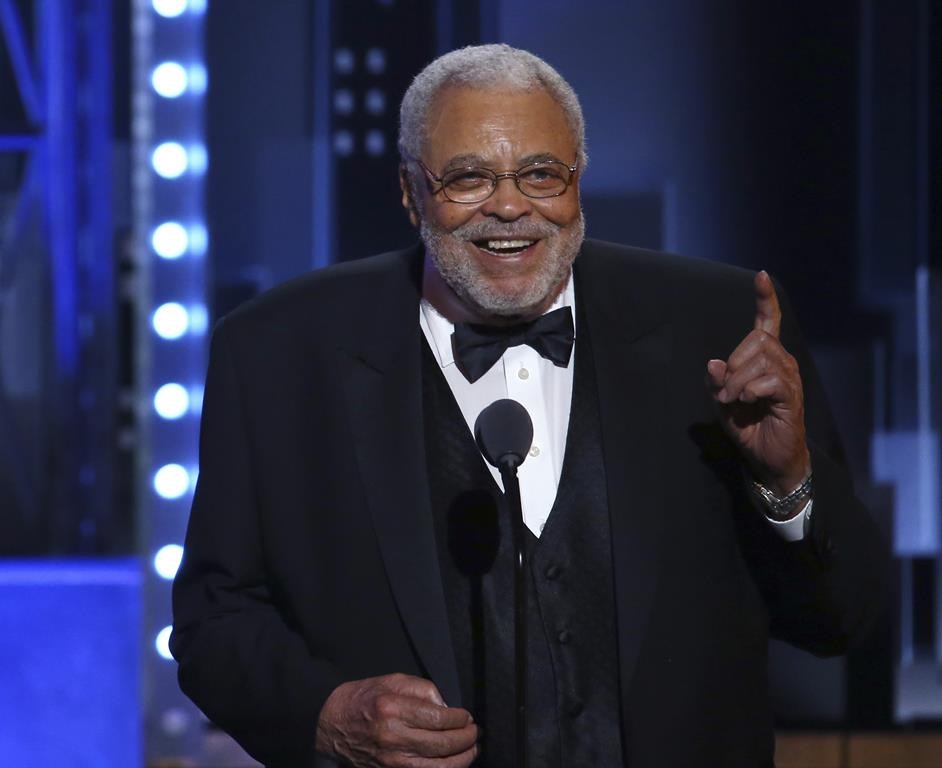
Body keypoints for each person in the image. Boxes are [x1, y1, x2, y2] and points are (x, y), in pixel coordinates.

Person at [171, 44, 887, 768]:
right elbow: (213, 621)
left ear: (579, 180)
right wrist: (327, 715)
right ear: (410, 192)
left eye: (542, 174)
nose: (509, 206)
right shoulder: (277, 352)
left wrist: (787, 484)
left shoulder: (722, 323)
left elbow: (843, 619)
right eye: (467, 177)